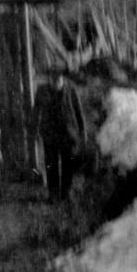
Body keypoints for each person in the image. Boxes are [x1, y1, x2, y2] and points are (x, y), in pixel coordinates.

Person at [32, 66, 86, 201]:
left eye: (58, 78)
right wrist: (35, 129)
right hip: (50, 134)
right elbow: (36, 112)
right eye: (53, 78)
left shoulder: (71, 90)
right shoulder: (42, 91)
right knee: (51, 164)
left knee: (68, 163)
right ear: (49, 78)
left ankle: (66, 192)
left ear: (63, 78)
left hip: (68, 133)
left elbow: (79, 111)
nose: (56, 80)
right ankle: (53, 193)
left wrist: (82, 130)